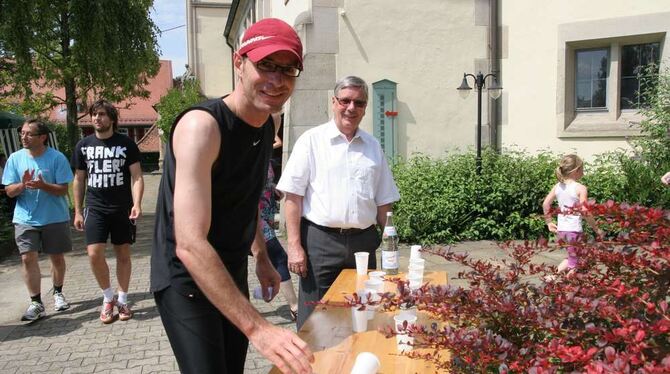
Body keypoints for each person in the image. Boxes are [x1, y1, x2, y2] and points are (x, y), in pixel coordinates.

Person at [150, 18, 314, 374]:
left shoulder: (265, 123)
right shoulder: (202, 127)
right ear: (239, 63)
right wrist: (260, 328)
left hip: (231, 268)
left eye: (288, 70)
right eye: (266, 65)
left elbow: (247, 198)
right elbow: (189, 243)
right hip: (187, 280)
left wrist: (262, 257)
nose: (277, 80)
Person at [276, 76, 401, 329]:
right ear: (334, 102)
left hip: (364, 243)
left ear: (365, 108)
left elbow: (384, 203)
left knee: (364, 314)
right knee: (315, 319)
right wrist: (294, 246)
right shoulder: (311, 141)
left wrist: (391, 246)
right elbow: (293, 197)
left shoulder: (373, 146)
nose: (351, 108)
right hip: (321, 243)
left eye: (359, 102)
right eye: (345, 100)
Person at [72, 99, 144, 324]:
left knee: (123, 254)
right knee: (94, 254)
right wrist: (77, 211)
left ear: (111, 118)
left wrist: (137, 203)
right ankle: (107, 298)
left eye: (102, 114)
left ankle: (122, 300)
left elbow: (138, 177)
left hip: (122, 208)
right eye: (94, 114)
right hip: (95, 207)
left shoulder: (126, 144)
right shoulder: (83, 145)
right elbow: (79, 179)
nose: (97, 118)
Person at [2, 119, 73, 321]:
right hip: (25, 218)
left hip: (54, 217)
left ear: (42, 137)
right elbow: (9, 191)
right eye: (22, 133)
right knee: (27, 258)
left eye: (28, 134)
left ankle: (58, 292)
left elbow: (62, 190)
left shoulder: (57, 158)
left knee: (56, 258)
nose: (23, 137)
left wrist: (43, 185)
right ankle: (36, 302)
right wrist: (22, 185)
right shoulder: (14, 159)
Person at [257, 112, 298, 320]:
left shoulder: (262, 151)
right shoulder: (251, 150)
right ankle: (295, 307)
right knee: (279, 257)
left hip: (265, 211)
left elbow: (265, 179)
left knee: (266, 258)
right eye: (274, 126)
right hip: (252, 218)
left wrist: (274, 189)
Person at [542, 154, 602, 272]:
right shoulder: (580, 188)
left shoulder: (558, 186)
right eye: (582, 170)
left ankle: (553, 276)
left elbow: (545, 204)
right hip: (574, 230)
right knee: (576, 263)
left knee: (573, 257)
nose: (583, 173)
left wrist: (549, 222)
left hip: (562, 230)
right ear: (577, 170)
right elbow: (585, 211)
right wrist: (596, 228)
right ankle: (560, 280)